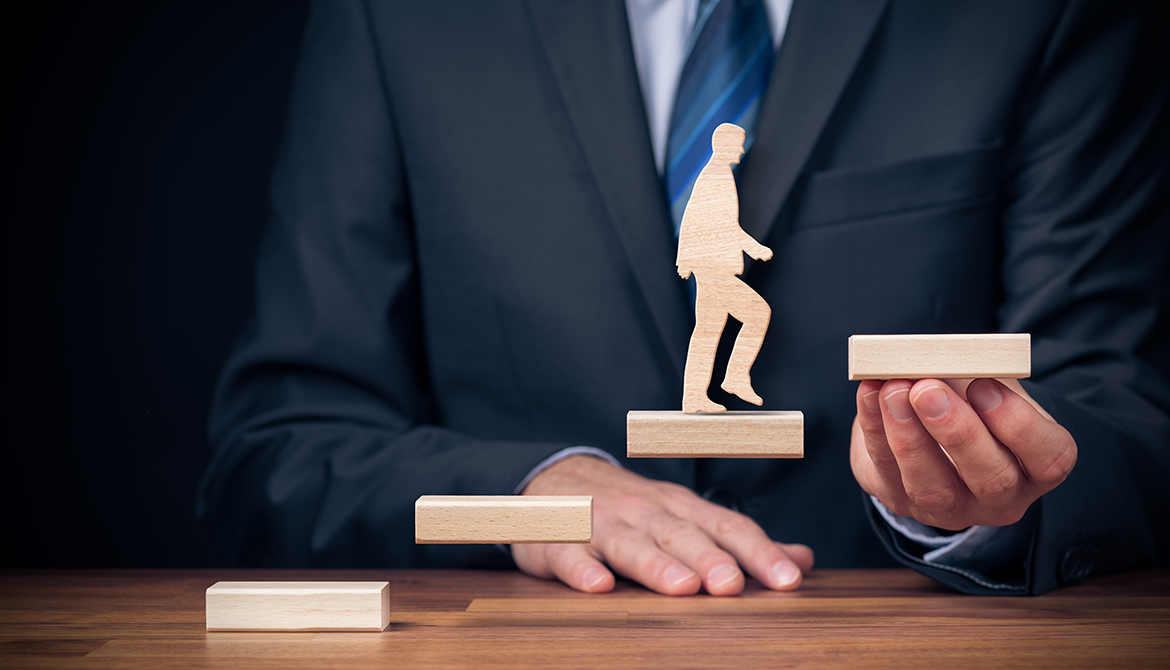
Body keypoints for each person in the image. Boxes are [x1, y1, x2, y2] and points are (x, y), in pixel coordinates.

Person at [196, 0, 1170, 596]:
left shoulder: (1035, 14)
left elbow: (1120, 407)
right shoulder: (398, 20)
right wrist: (525, 496)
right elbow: (276, 453)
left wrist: (987, 504)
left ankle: (721, 384)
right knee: (729, 321)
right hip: (533, 652)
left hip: (889, 644)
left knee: (735, 323)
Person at [677, 123, 773, 414]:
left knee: (708, 331)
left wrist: (685, 259)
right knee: (757, 314)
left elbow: (701, 220)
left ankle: (696, 394)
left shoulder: (717, 175)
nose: (742, 150)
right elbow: (712, 224)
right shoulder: (716, 177)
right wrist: (754, 248)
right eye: (738, 144)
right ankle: (734, 377)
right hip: (713, 269)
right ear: (723, 145)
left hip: (709, 267)